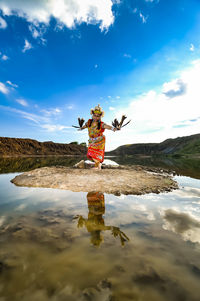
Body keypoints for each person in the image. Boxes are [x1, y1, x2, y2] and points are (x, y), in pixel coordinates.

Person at [79, 104, 117, 170]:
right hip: (91, 140)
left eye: (98, 116)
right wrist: (82, 128)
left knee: (94, 153)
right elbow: (85, 126)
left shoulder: (101, 124)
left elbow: (107, 126)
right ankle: (98, 165)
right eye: (94, 115)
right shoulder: (89, 122)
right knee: (91, 153)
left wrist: (112, 128)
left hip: (99, 140)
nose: (96, 117)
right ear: (92, 115)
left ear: (100, 116)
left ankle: (98, 166)